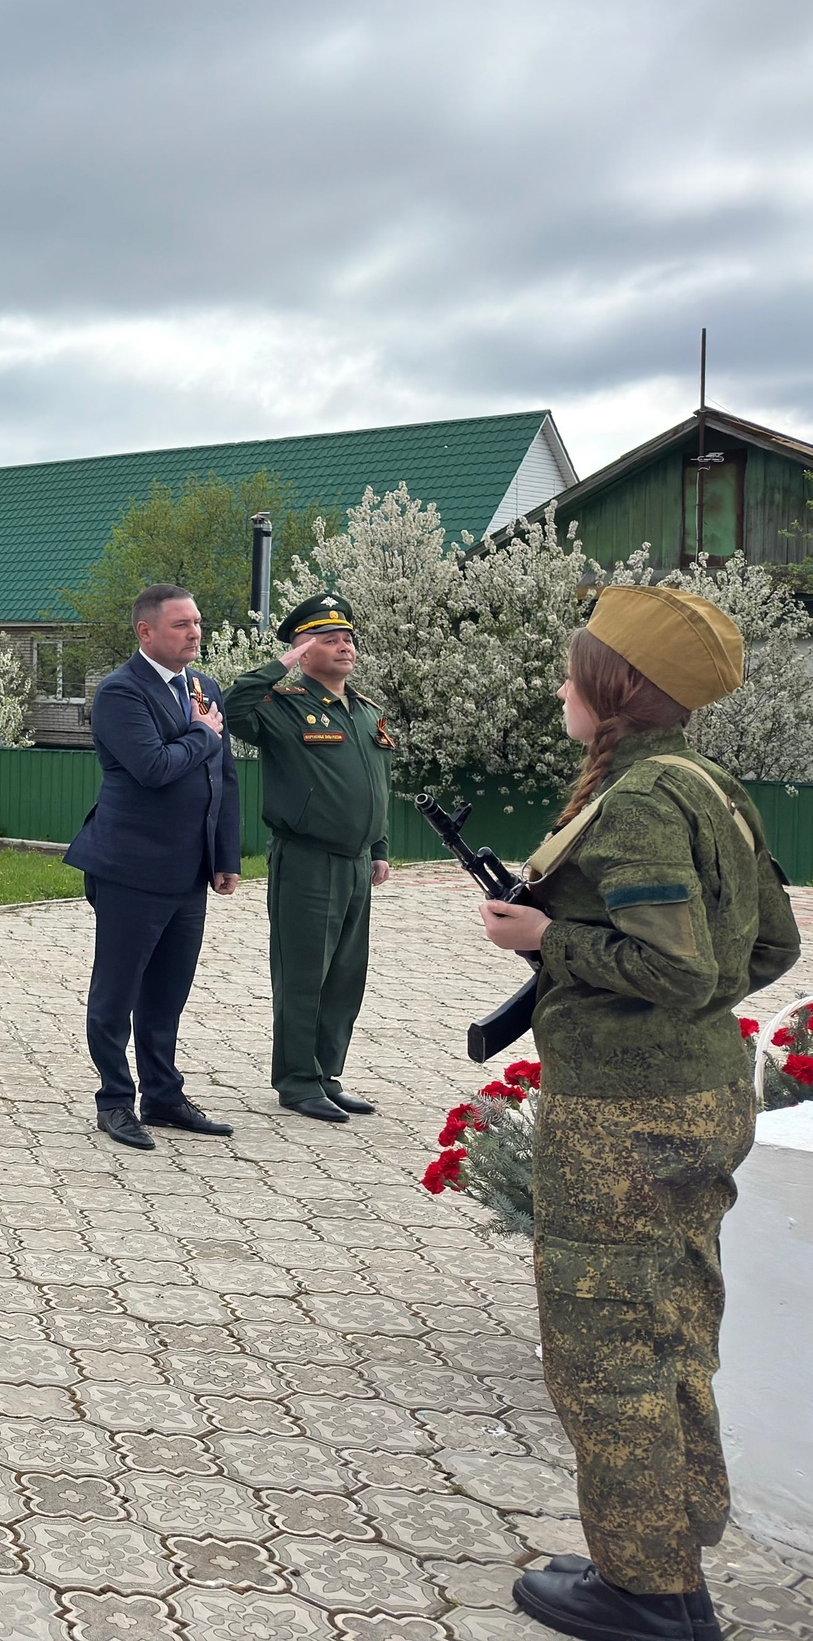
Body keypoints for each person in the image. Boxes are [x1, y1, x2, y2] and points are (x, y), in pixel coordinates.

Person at [474, 588, 798, 1641]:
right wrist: (689, 1013)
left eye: (573, 672)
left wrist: (540, 941)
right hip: (699, 1094)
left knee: (606, 1349)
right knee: (672, 1329)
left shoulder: (645, 799)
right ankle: (669, 1541)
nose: (560, 688)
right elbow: (767, 948)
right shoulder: (710, 784)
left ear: (615, 688)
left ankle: (650, 1592)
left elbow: (671, 961)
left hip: (624, 1119)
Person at [62, 583, 242, 1151]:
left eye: (197, 623)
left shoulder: (205, 689)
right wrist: (201, 732)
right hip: (130, 869)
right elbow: (154, 768)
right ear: (146, 632)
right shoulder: (121, 692)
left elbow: (223, 779)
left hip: (189, 872)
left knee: (167, 993)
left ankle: (163, 1095)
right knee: (117, 992)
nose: (195, 633)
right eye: (181, 625)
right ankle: (115, 1100)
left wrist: (225, 855)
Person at [223, 592, 393, 1122]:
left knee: (345, 974)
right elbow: (233, 708)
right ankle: (297, 1081)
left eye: (348, 639)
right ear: (302, 649)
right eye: (329, 639)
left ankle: (327, 1074)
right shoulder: (283, 707)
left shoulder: (366, 713)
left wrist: (380, 847)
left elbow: (376, 784)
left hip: (357, 863)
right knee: (303, 974)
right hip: (306, 861)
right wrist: (283, 665)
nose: (344, 646)